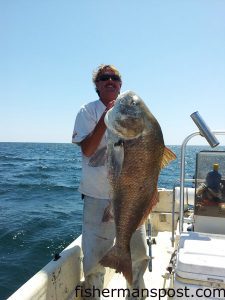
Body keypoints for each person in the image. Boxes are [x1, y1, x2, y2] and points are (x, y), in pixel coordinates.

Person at [72, 64, 149, 300]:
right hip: (97, 196)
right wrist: (106, 117)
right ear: (97, 85)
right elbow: (87, 150)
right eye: (104, 77)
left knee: (138, 254)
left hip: (132, 195)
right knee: (95, 258)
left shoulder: (135, 113)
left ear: (120, 84)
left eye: (115, 77)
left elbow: (149, 151)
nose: (110, 80)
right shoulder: (87, 111)